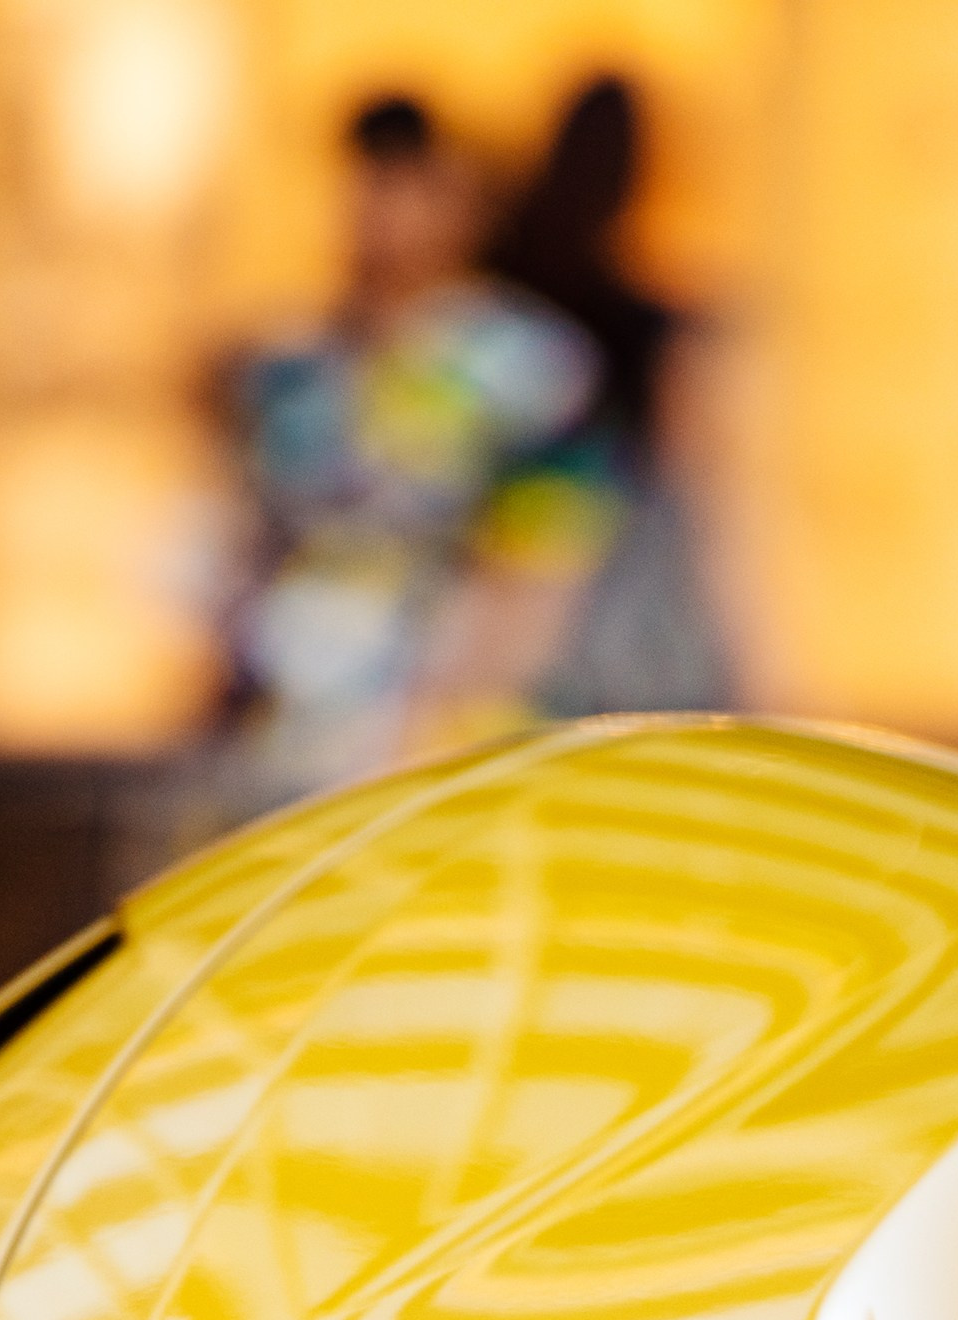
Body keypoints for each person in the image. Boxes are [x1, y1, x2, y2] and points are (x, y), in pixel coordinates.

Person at [200, 96, 611, 819]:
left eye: (406, 183)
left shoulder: (528, 370)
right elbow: (239, 552)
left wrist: (438, 719)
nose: (377, 210)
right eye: (365, 181)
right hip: (284, 756)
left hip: (458, 759)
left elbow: (542, 568)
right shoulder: (284, 370)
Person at [482, 75, 736, 720]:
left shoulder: (510, 288)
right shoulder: (655, 327)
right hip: (620, 603)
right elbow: (699, 488)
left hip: (509, 592)